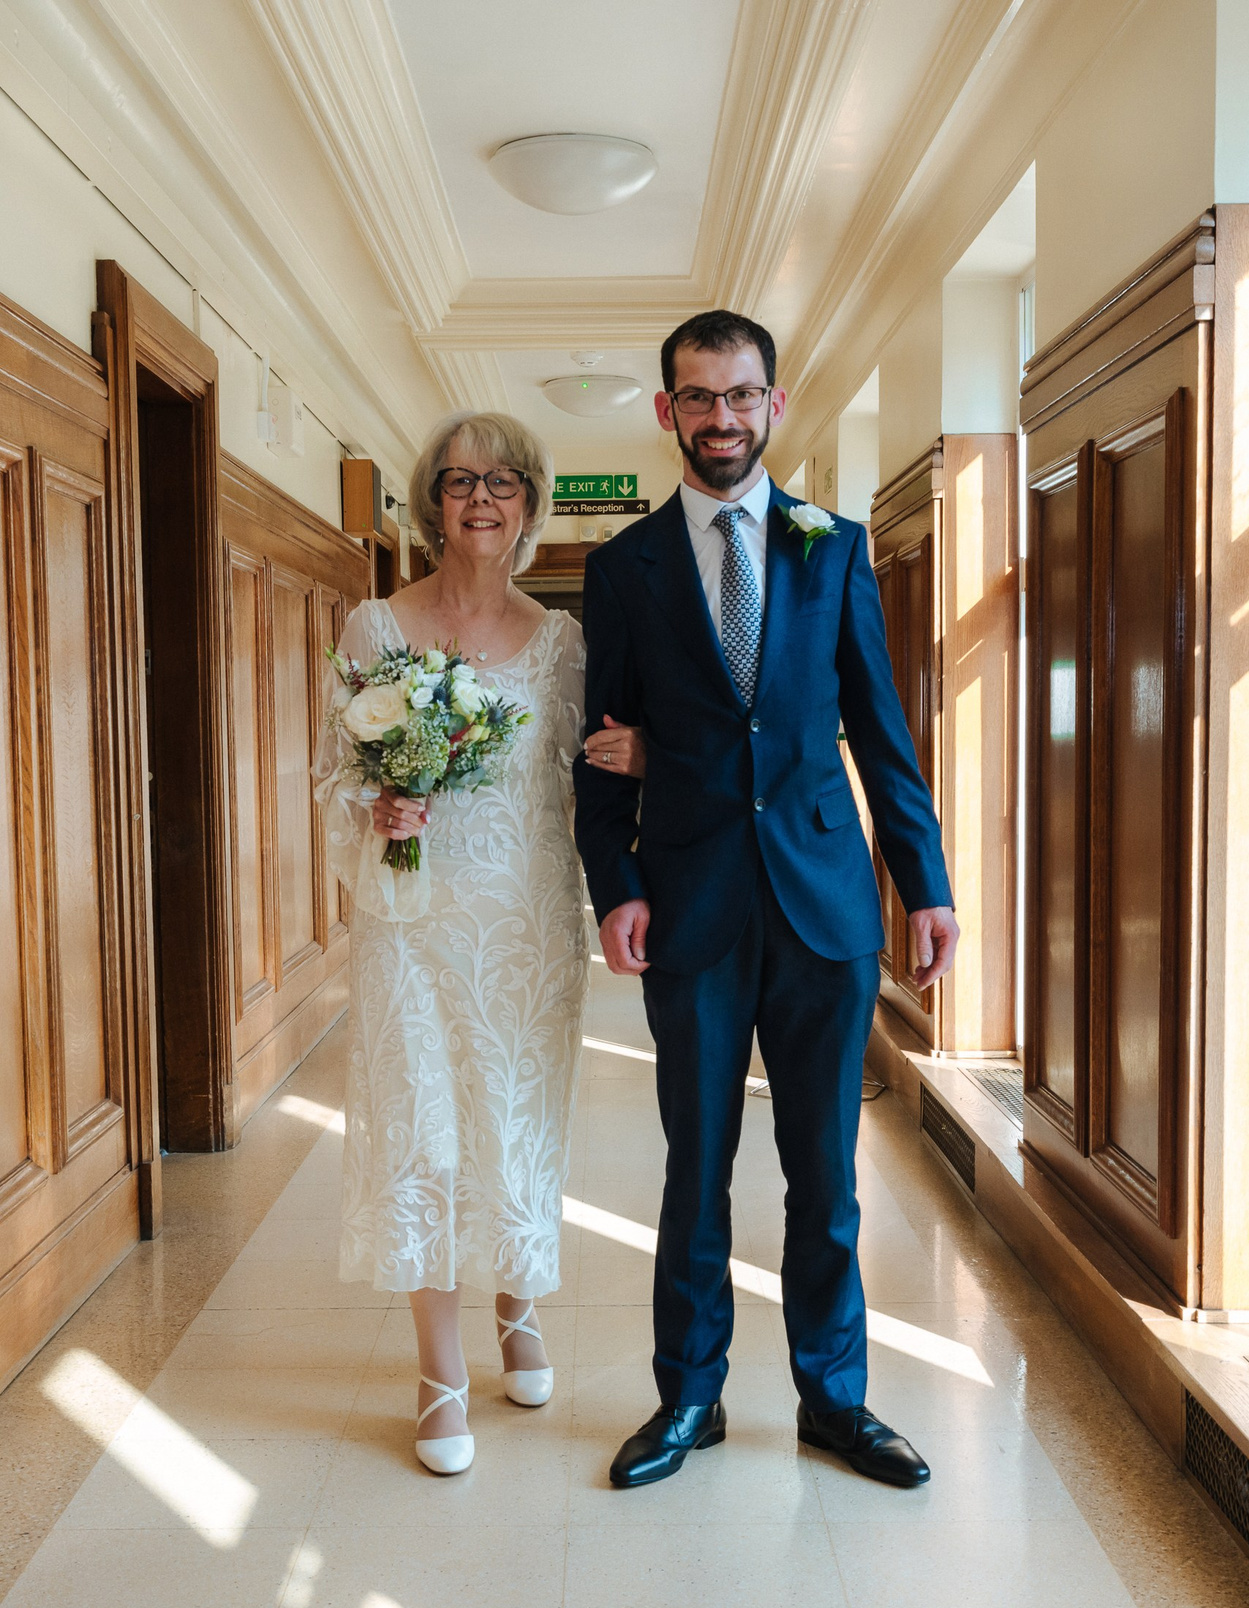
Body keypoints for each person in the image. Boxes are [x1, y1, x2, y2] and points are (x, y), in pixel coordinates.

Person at [572, 310, 959, 1491]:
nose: (722, 417)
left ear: (773, 405)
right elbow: (597, 749)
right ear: (667, 412)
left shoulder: (829, 548)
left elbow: (880, 732)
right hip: (689, 906)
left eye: (742, 396)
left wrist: (924, 881)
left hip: (824, 908)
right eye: (699, 397)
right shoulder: (622, 567)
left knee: (824, 1173)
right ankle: (689, 1396)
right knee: (696, 1167)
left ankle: (833, 1399)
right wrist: (616, 887)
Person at [317, 410, 643, 1475]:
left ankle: (518, 1305)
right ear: (432, 500)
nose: (484, 499)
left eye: (506, 481)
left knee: (513, 1120)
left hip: (525, 922)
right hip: (410, 922)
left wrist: (638, 767)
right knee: (422, 1130)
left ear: (531, 504)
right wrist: (374, 812)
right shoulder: (376, 627)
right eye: (462, 480)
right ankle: (440, 1367)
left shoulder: (562, 642)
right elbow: (333, 778)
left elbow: (583, 780)